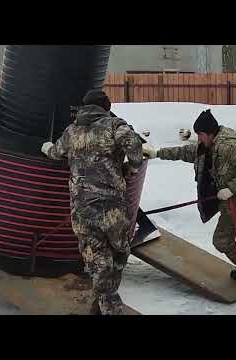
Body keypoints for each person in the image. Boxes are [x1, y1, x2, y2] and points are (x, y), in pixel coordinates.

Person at [142, 109, 236, 308]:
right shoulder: (207, 147)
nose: (198, 139)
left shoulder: (229, 146)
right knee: (221, 240)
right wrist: (157, 153)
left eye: (200, 135)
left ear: (209, 133)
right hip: (232, 207)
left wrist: (232, 188)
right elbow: (185, 152)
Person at [41, 90, 144, 315]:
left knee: (97, 259)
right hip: (112, 208)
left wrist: (47, 148)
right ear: (105, 107)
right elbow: (135, 147)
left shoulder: (72, 131)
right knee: (119, 252)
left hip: (83, 209)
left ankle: (101, 301)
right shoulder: (114, 125)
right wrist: (132, 168)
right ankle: (109, 304)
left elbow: (57, 153)